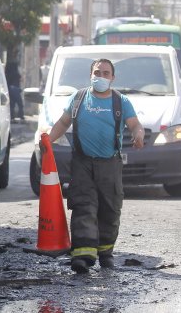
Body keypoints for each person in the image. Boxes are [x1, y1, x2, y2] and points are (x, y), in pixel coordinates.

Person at [44, 58, 144, 274]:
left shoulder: (121, 101)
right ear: (90, 75)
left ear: (113, 78)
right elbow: (63, 123)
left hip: (110, 164)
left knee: (110, 209)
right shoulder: (79, 98)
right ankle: (82, 255)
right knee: (83, 206)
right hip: (82, 163)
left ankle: (105, 253)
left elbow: (135, 124)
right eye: (97, 72)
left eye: (106, 73)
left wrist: (138, 135)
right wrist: (47, 140)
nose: (101, 76)